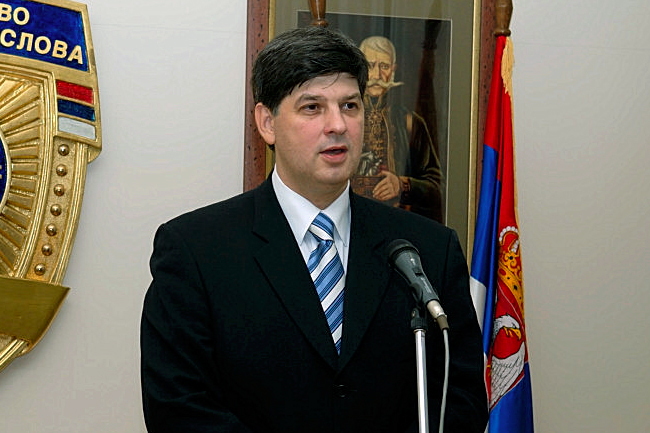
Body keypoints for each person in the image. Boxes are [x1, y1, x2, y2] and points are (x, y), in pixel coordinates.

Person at [140, 26, 487, 433]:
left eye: (350, 105)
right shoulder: (195, 250)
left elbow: (460, 399)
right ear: (267, 122)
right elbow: (178, 408)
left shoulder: (427, 249)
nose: (337, 124)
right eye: (312, 107)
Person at [353, 35, 444, 222]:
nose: (377, 75)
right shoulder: (343, 119)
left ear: (393, 70)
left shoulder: (409, 122)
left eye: (384, 67)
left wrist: (402, 185)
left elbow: (437, 188)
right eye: (370, 66)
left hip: (396, 223)